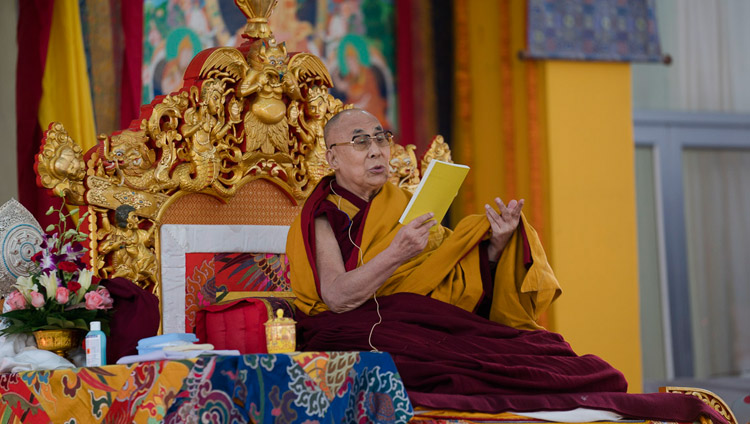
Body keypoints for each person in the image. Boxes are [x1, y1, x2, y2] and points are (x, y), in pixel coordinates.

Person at [286, 109, 726, 423]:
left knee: (548, 354)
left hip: (422, 316)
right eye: (360, 142)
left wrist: (494, 246)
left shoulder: (403, 202)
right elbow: (337, 296)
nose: (377, 150)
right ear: (332, 158)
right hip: (356, 326)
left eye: (381, 138)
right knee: (461, 365)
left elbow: (447, 279)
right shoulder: (322, 213)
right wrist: (398, 253)